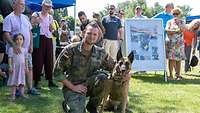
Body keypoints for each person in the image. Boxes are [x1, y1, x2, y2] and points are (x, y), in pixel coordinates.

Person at [54, 22, 116, 113]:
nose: (92, 36)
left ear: (98, 36)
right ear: (83, 33)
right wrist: (72, 87)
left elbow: (114, 66)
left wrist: (127, 72)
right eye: (89, 33)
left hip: (89, 84)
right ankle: (69, 104)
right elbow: (57, 72)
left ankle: (92, 107)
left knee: (103, 77)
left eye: (95, 34)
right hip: (73, 87)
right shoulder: (70, 50)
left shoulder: (100, 52)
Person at [3, 0, 39, 95]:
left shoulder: (26, 18)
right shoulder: (8, 18)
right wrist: (14, 45)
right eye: (21, 4)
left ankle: (30, 88)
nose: (23, 6)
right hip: (16, 50)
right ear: (14, 5)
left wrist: (31, 45)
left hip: (26, 49)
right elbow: (6, 33)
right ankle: (17, 90)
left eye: (24, 4)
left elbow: (30, 32)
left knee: (29, 68)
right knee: (17, 69)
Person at [32, 0, 57, 89]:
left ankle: (50, 80)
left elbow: (53, 30)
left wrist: (52, 29)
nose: (48, 8)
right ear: (42, 6)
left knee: (49, 60)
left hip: (48, 39)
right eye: (46, 6)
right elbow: (31, 26)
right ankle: (36, 81)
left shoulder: (50, 17)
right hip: (39, 38)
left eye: (49, 6)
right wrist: (36, 22)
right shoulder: (36, 14)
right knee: (38, 60)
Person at [165, 8, 185, 80]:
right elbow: (167, 30)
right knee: (171, 59)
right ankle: (170, 75)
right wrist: (176, 31)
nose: (175, 15)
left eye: (177, 14)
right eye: (174, 14)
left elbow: (182, 30)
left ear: (179, 14)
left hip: (179, 43)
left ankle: (178, 75)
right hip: (171, 43)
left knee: (178, 60)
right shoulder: (169, 22)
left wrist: (178, 24)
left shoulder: (182, 21)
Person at [7, 33, 28, 101]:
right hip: (14, 68)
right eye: (17, 39)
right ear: (14, 40)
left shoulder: (24, 50)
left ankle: (22, 94)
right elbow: (10, 58)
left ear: (23, 41)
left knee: (22, 81)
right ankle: (13, 95)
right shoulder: (11, 49)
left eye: (21, 39)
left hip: (22, 68)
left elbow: (25, 59)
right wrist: (10, 66)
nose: (19, 41)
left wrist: (26, 67)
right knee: (14, 82)